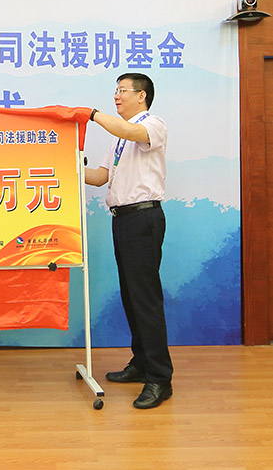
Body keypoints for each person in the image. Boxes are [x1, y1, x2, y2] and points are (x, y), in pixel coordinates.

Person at [84, 73, 173, 409]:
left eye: (122, 91)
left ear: (142, 95)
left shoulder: (153, 124)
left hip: (144, 219)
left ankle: (160, 379)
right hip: (122, 220)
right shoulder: (118, 140)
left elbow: (130, 132)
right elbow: (100, 178)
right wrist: (68, 167)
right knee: (131, 296)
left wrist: (92, 115)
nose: (117, 96)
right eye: (116, 90)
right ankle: (141, 363)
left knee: (145, 299)